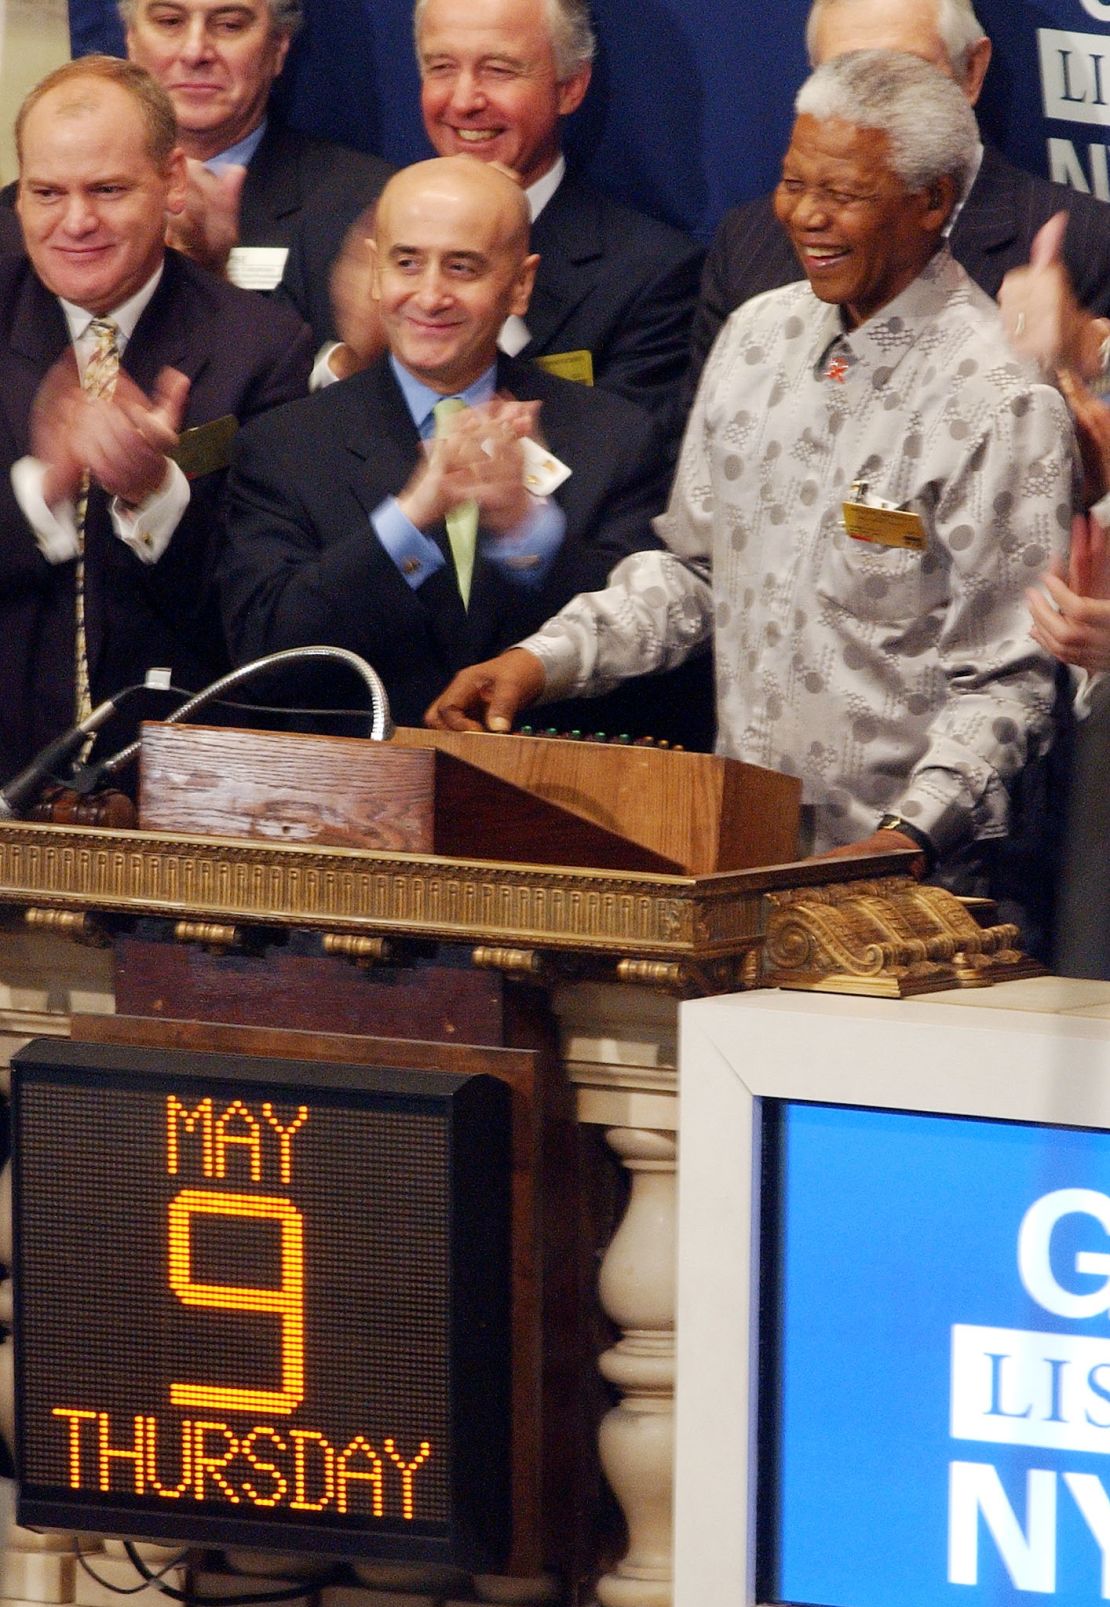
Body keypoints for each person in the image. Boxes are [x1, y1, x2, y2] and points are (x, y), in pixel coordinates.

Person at [427, 51, 1075, 894]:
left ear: (932, 202)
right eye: (792, 183)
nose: (805, 216)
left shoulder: (999, 399)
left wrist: (909, 836)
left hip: (917, 892)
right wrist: (542, 660)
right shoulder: (756, 335)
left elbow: (1009, 681)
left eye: (841, 194)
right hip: (736, 857)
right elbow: (694, 573)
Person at [219, 156, 676, 733]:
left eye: (462, 268)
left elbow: (649, 656)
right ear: (376, 274)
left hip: (550, 794)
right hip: (351, 795)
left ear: (520, 285)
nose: (431, 297)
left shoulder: (614, 438)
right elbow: (266, 653)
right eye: (407, 263)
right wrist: (409, 519)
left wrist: (526, 532)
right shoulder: (284, 446)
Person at [0, 56, 314, 785]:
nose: (76, 222)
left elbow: (263, 603)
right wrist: (43, 487)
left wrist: (154, 495)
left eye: (107, 190)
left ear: (172, 181)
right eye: (47, 192)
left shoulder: (262, 350)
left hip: (176, 786)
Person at [299, 0, 703, 449]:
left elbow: (621, 465)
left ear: (569, 87)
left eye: (498, 70)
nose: (464, 100)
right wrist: (355, 362)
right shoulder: (341, 239)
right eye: (442, 67)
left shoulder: (648, 274)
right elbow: (281, 459)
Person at [687, 0, 1110, 392]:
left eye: (906, 76)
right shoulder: (748, 246)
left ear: (972, 71)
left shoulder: (1087, 243)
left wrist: (1089, 356)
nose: (873, 113)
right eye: (844, 75)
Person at [120, 0, 391, 302]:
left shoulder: (366, 205)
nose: (195, 52)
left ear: (278, 46)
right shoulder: (71, 195)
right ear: (131, 38)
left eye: (229, 25)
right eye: (170, 22)